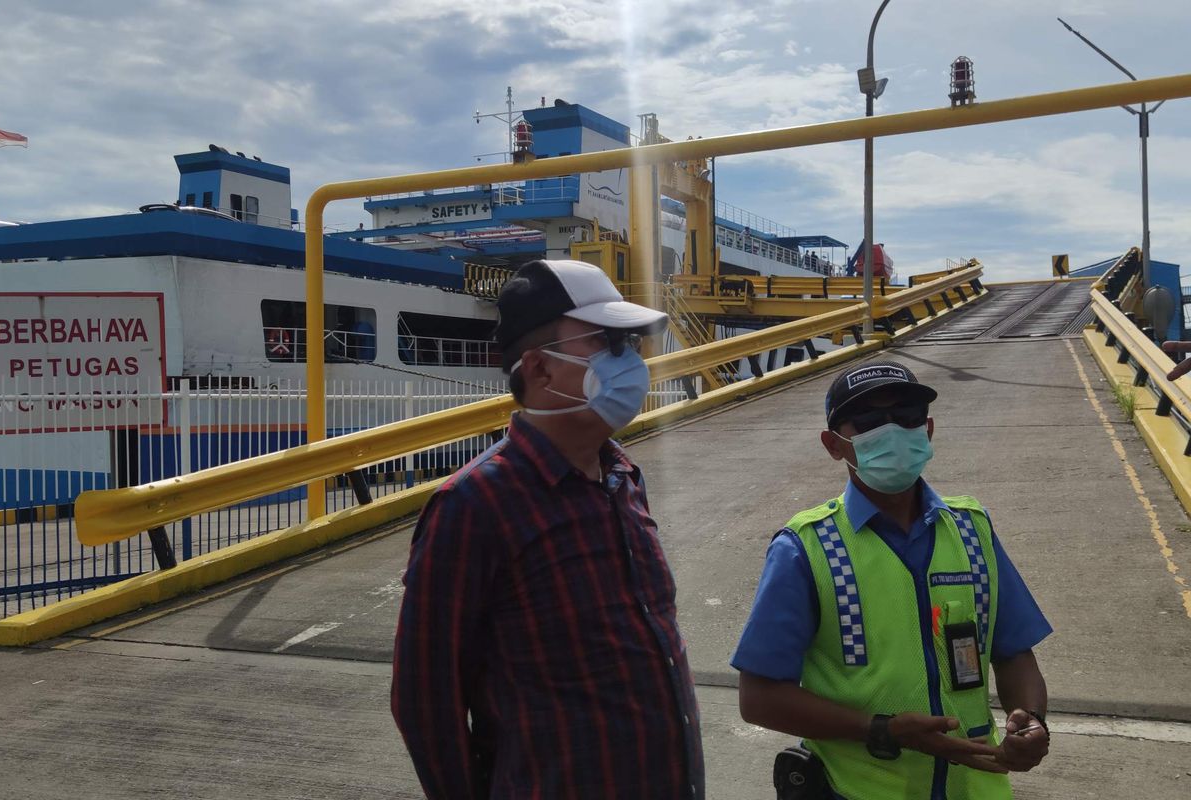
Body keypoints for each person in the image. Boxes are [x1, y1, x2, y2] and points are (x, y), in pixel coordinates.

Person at [391, 259, 705, 799]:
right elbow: (426, 700)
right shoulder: (474, 505)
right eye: (608, 342)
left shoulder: (623, 476)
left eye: (630, 344)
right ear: (538, 369)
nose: (630, 362)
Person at [733, 360, 1052, 799]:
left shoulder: (971, 530)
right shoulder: (805, 549)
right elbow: (759, 697)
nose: (894, 432)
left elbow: (1014, 653)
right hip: (856, 790)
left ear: (928, 429)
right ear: (834, 444)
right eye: (868, 422)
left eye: (907, 418)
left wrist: (1032, 719)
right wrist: (881, 730)